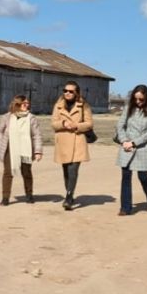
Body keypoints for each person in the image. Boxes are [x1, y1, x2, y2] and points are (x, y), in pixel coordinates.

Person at [115, 84, 147, 216]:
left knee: (143, 177)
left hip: (144, 147)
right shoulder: (129, 108)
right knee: (126, 176)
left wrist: (134, 143)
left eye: (141, 99)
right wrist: (124, 140)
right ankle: (125, 207)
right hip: (127, 147)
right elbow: (120, 125)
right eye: (136, 99)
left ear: (146, 97)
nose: (138, 102)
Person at [0, 94, 43, 206]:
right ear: (17, 104)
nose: (27, 105)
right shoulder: (7, 117)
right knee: (7, 173)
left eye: (28, 103)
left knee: (26, 172)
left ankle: (29, 195)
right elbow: (0, 132)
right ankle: (5, 197)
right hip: (10, 148)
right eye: (24, 103)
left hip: (26, 149)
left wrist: (38, 151)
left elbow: (36, 135)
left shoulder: (31, 118)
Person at [51, 81, 93, 210]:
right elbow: (53, 123)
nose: (67, 93)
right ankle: (70, 192)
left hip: (77, 140)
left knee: (73, 170)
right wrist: (63, 123)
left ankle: (69, 196)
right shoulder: (58, 106)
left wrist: (77, 125)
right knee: (66, 171)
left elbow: (89, 124)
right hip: (63, 141)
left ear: (76, 93)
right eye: (65, 91)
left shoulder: (83, 106)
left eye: (70, 91)